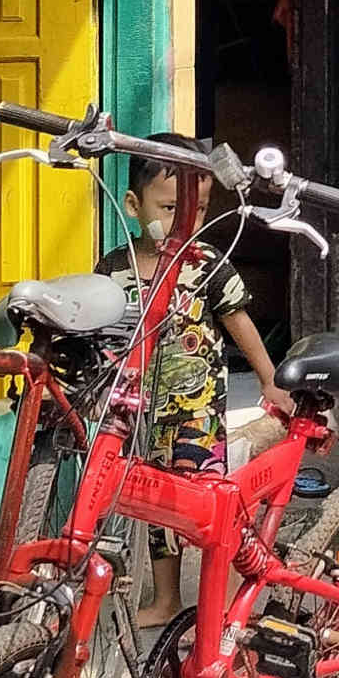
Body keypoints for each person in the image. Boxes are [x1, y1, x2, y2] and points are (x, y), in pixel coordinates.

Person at [100, 154, 294, 470]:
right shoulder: (113, 267)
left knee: (195, 501)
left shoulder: (206, 263)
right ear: (134, 206)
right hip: (133, 416)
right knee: (139, 499)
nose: (186, 221)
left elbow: (238, 320)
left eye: (199, 209)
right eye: (171, 208)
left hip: (198, 413)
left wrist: (269, 380)